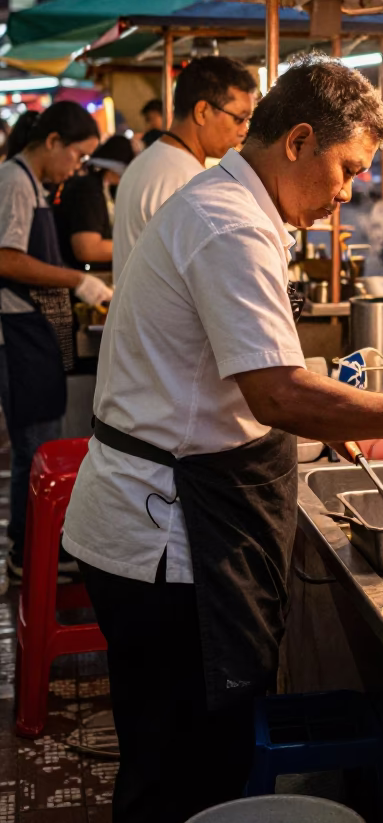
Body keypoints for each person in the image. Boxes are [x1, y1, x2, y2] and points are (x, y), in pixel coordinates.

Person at [63, 56, 383, 823]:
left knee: (179, 762)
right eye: (349, 168)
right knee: (178, 769)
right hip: (164, 539)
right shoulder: (229, 222)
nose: (349, 192)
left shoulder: (228, 205)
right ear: (298, 140)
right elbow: (277, 396)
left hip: (166, 518)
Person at [0, 102, 113, 581]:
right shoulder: (13, 180)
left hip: (36, 330)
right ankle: (28, 553)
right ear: (52, 143)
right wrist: (76, 280)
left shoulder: (34, 183)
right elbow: (6, 259)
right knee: (33, 448)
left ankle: (37, 547)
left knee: (39, 442)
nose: (77, 167)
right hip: (20, 329)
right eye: (77, 156)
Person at [112, 58, 258, 279]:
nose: (243, 131)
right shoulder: (188, 182)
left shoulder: (149, 160)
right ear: (202, 111)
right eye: (239, 119)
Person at [54, 134, 135, 271]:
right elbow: (88, 249)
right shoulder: (88, 190)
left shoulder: (102, 187)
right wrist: (135, 247)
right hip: (81, 277)